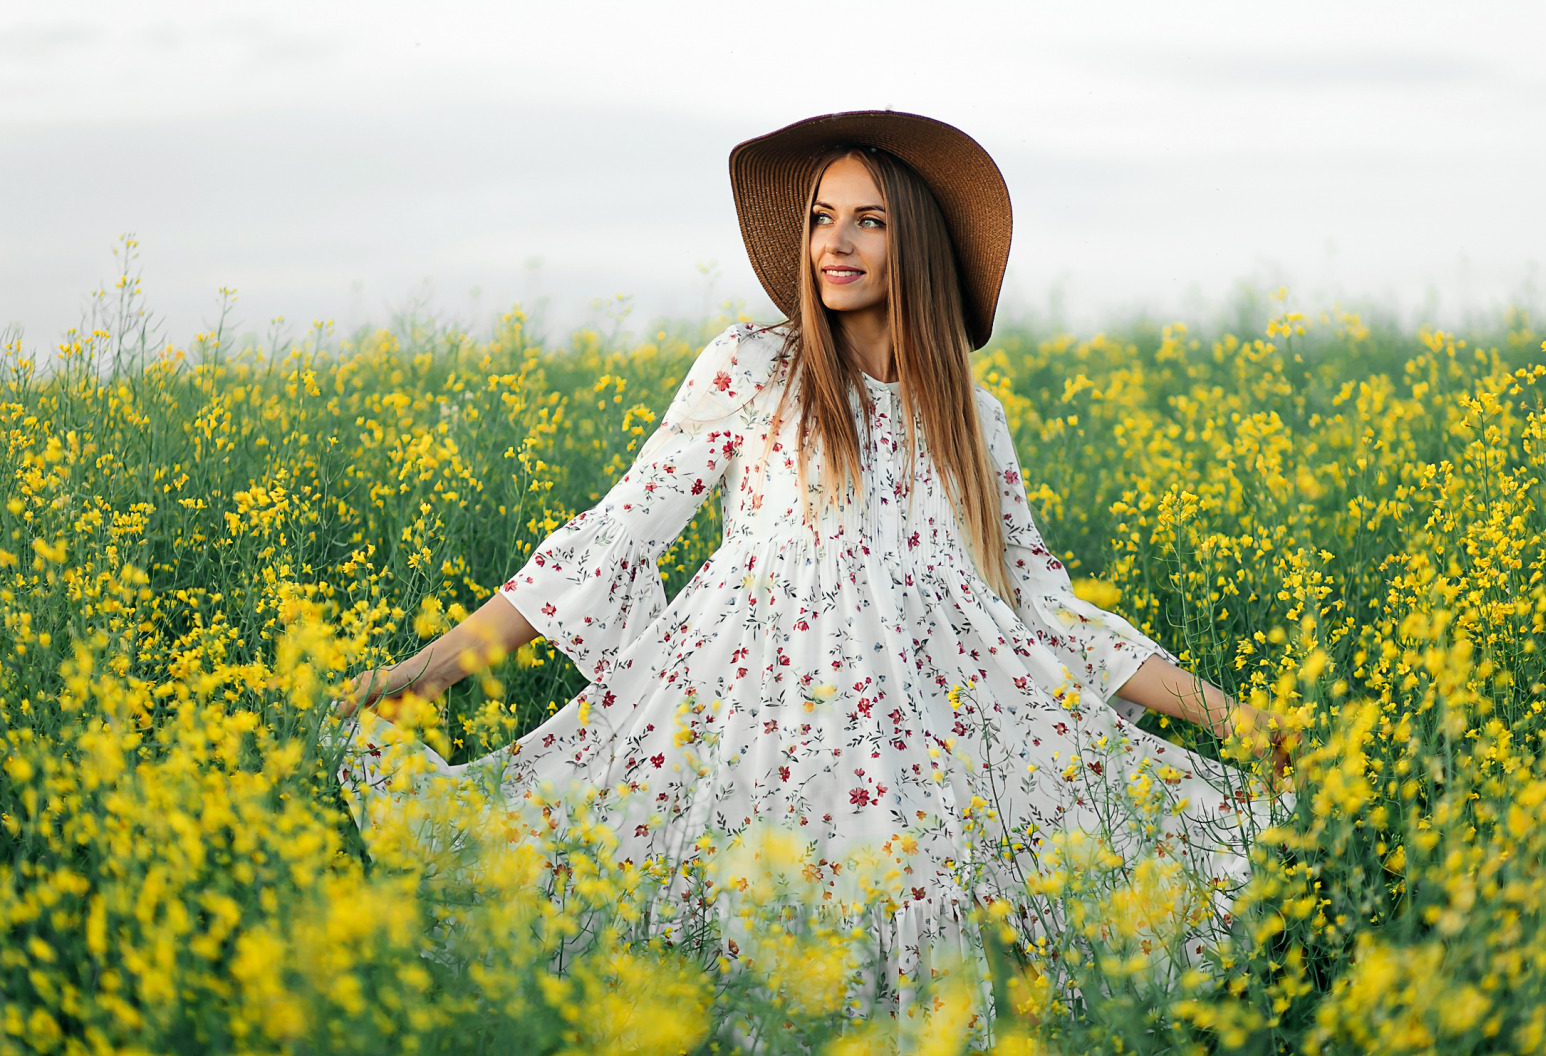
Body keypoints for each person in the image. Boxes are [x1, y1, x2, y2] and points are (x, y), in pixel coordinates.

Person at [335, 111, 1287, 992]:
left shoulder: (971, 420)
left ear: (913, 240)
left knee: (923, 970)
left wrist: (1233, 719)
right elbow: (610, 537)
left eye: (868, 221)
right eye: (824, 219)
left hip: (930, 751)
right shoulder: (753, 367)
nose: (835, 242)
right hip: (763, 733)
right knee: (758, 960)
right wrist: (425, 673)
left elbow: (1051, 614)